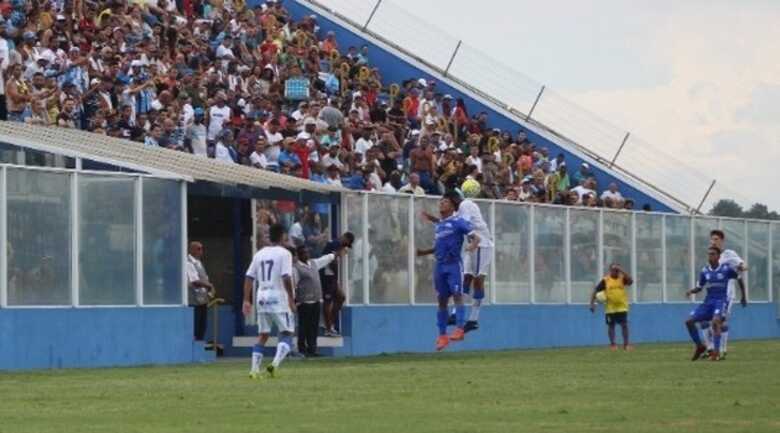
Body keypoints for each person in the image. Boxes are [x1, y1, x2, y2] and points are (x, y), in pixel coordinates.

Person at [422, 189, 492, 333]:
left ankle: (473, 319)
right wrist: (433, 219)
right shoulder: (458, 211)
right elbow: (451, 223)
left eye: (447, 200)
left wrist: (472, 243)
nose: (444, 203)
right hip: (472, 246)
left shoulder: (465, 205)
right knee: (466, 279)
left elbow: (461, 224)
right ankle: (455, 315)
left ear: (454, 200)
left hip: (482, 244)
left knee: (478, 280)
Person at [416, 193, 480, 351]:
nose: (441, 204)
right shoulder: (440, 225)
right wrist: (423, 252)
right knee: (441, 300)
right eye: (441, 202)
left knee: (457, 295)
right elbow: (439, 246)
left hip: (453, 265)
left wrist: (472, 246)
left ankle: (459, 329)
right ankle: (442, 336)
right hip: (440, 266)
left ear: (452, 206)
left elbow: (475, 237)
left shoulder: (459, 222)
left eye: (445, 202)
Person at [242, 224, 296, 379]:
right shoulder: (285, 254)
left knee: (263, 335)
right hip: (278, 296)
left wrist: (246, 299)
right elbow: (286, 276)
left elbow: (249, 277)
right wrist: (291, 298)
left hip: (261, 297)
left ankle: (253, 370)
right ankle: (275, 364)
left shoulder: (260, 253)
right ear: (282, 236)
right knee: (287, 332)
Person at [684, 246, 739, 361]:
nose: (710, 256)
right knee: (689, 321)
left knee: (715, 322)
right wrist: (691, 291)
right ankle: (700, 346)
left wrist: (743, 295)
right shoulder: (705, 271)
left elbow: (739, 277)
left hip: (720, 301)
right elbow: (700, 287)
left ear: (718, 256)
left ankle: (716, 352)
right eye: (709, 254)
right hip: (708, 302)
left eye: (713, 254)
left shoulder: (726, 269)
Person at [293, 245, 345, 357]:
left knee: (313, 326)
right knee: (303, 327)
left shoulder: (313, 263)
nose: (306, 255)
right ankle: (302, 349)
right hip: (304, 302)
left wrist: (334, 255)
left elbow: (324, 259)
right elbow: (294, 284)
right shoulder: (296, 268)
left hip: (316, 300)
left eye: (307, 252)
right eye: (303, 253)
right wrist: (294, 299)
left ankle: (312, 349)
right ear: (298, 255)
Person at [705, 229, 747, 360]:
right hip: (714, 295)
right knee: (707, 322)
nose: (713, 241)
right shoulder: (712, 256)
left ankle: (716, 350)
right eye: (712, 239)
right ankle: (714, 349)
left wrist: (742, 267)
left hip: (727, 295)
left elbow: (742, 265)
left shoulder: (729, 254)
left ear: (722, 241)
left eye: (716, 239)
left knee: (717, 321)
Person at [589, 263, 633, 351]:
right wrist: (592, 304)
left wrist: (622, 270)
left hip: (622, 306)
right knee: (611, 326)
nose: (616, 272)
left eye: (617, 270)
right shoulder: (606, 280)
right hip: (610, 307)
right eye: (614, 270)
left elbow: (631, 281)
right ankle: (613, 344)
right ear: (610, 270)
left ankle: (626, 345)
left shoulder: (622, 278)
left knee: (624, 325)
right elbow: (595, 290)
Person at [320, 232, 355, 336]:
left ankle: (329, 323)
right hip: (327, 276)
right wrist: (340, 254)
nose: (345, 247)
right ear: (344, 238)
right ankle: (328, 328)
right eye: (346, 243)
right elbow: (330, 261)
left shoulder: (336, 244)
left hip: (332, 277)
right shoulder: (335, 244)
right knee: (328, 301)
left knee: (341, 297)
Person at [186, 242, 214, 342]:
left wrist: (209, 290)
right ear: (191, 249)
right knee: (195, 325)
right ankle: (193, 345)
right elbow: (195, 281)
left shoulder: (198, 262)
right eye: (198, 249)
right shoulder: (188, 262)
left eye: (201, 249)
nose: (201, 251)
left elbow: (204, 278)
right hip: (193, 300)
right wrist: (209, 286)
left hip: (202, 299)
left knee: (202, 325)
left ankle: (199, 343)